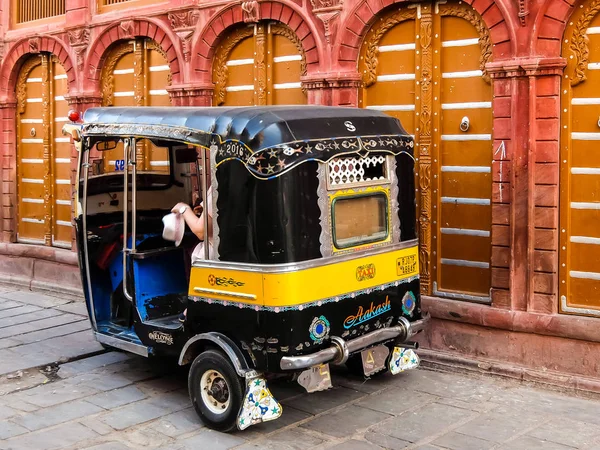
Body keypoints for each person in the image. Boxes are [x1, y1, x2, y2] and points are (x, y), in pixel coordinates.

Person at [172, 187, 213, 322]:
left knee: (189, 248)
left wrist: (183, 209)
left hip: (216, 254)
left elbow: (200, 231)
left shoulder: (220, 182)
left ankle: (194, 304)